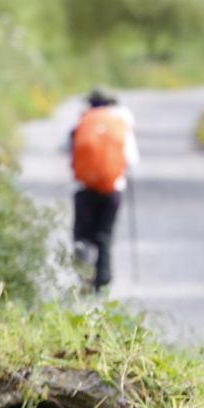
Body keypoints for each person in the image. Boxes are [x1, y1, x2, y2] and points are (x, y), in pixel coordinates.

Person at [69, 87, 139, 292]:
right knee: (104, 235)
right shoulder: (120, 125)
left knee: (81, 234)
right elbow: (132, 159)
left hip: (83, 188)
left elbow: (67, 148)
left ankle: (83, 277)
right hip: (113, 189)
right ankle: (103, 279)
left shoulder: (82, 122)